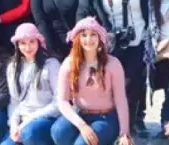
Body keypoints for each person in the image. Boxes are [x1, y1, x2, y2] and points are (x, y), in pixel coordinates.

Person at [76, 0, 149, 136]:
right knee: (112, 84)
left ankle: (130, 126)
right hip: (111, 43)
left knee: (133, 84)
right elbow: (83, 13)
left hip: (138, 39)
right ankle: (113, 125)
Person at [50, 17, 133, 145]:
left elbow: (120, 100)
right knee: (58, 132)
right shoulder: (69, 63)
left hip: (105, 117)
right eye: (84, 35)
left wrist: (124, 133)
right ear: (78, 39)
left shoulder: (113, 64)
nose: (88, 39)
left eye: (93, 34)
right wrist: (82, 125)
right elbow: (62, 101)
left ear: (100, 38)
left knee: (82, 144)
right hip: (80, 113)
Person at [1, 24, 61, 145]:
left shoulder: (51, 64)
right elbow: (14, 101)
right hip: (22, 120)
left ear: (38, 42)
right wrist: (13, 125)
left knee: (29, 133)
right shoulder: (13, 67)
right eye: (23, 43)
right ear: (17, 45)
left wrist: (29, 120)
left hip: (46, 118)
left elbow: (58, 102)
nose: (28, 47)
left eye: (32, 42)